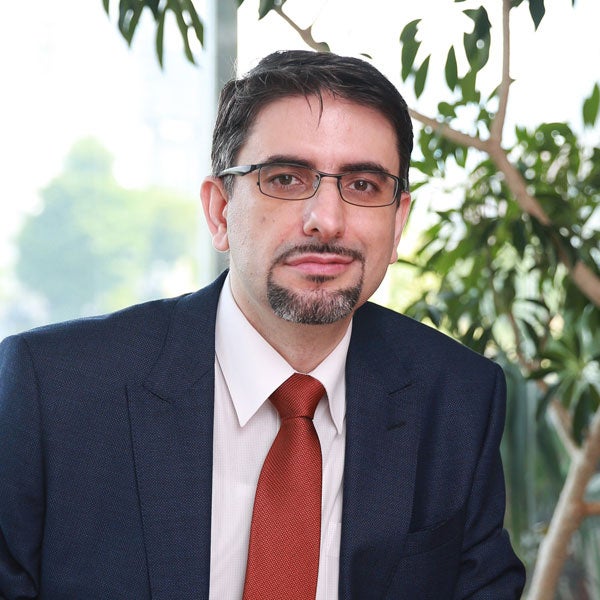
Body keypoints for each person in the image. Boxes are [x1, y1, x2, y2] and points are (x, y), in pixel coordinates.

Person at [0, 50, 525, 599]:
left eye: (363, 186)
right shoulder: (56, 390)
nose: (326, 220)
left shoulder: (457, 399)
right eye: (286, 178)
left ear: (398, 224)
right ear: (220, 211)